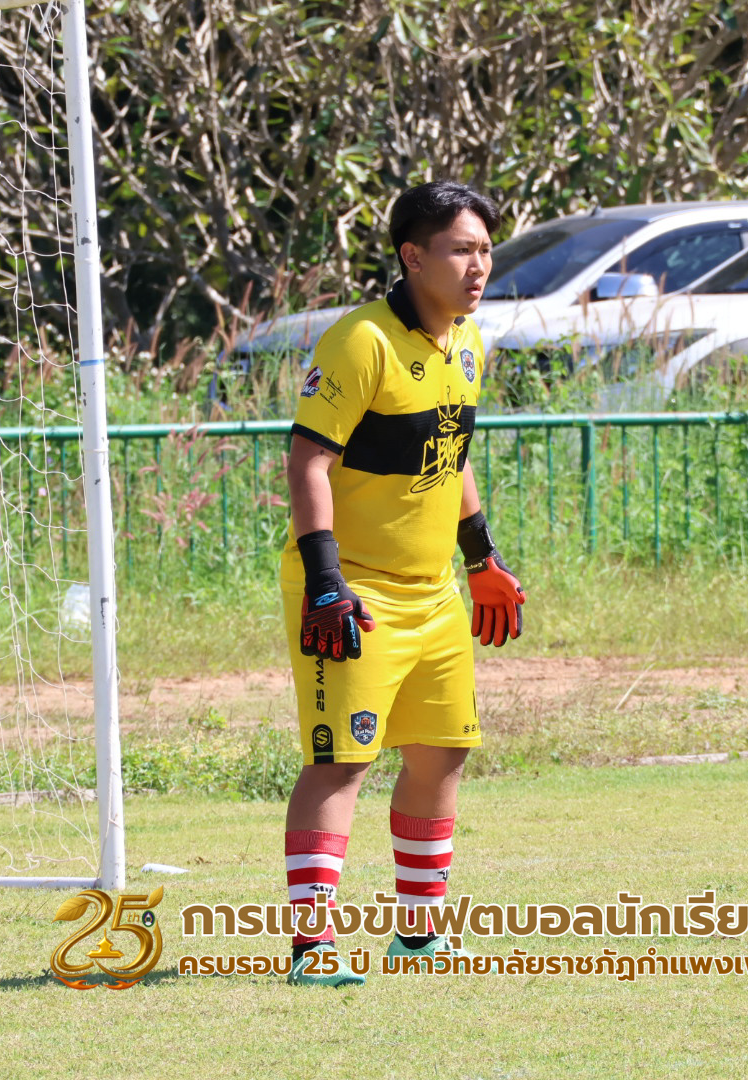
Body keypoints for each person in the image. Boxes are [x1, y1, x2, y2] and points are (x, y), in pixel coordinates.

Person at [278, 181, 526, 987]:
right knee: (341, 760)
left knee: (441, 754)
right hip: (354, 591)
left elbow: (451, 457)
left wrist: (481, 559)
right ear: (413, 256)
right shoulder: (361, 342)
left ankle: (417, 935)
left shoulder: (469, 342)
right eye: (460, 250)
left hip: (433, 590)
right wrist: (325, 583)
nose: (478, 266)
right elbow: (308, 463)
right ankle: (313, 948)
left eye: (485, 250)